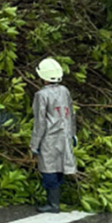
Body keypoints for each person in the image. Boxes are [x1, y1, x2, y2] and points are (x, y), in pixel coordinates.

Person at [30, 57, 77, 213]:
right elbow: (71, 114)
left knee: (48, 169)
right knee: (60, 167)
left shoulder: (41, 95)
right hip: (64, 135)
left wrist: (35, 144)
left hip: (49, 138)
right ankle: (55, 202)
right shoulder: (65, 91)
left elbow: (40, 123)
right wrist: (73, 134)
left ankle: (52, 204)